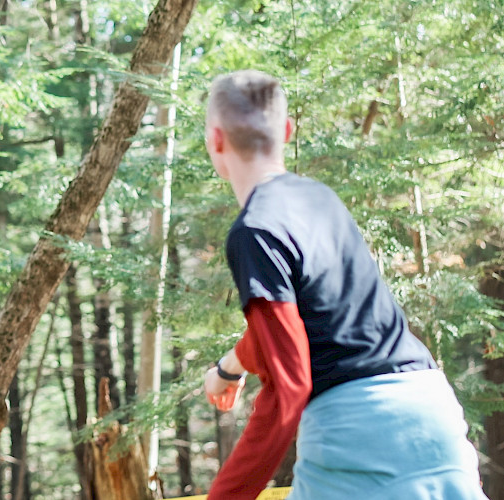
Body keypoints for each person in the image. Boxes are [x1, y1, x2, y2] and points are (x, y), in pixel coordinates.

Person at [198, 70, 486, 500]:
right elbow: (302, 325)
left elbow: (290, 381)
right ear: (287, 131)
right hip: (431, 409)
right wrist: (229, 368)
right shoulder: (319, 198)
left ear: (215, 141)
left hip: (358, 432)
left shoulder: (253, 230)